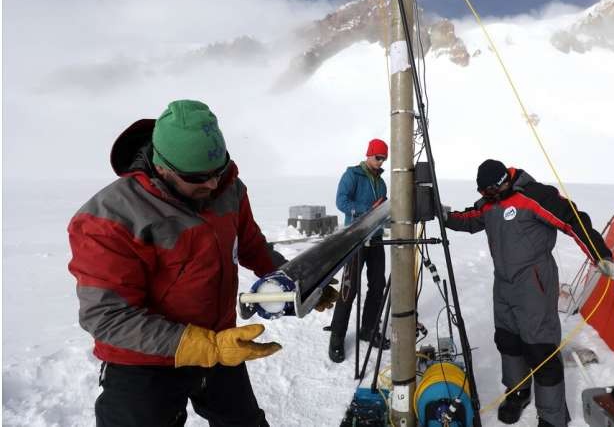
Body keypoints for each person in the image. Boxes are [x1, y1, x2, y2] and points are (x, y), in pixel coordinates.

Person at [68, 100, 336, 427]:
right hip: (144, 361)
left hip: (221, 344)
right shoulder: (109, 219)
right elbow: (107, 316)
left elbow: (251, 244)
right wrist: (204, 345)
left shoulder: (228, 188)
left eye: (218, 171)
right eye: (198, 178)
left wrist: (296, 282)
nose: (211, 185)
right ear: (162, 167)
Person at [444, 159, 614, 426]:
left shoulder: (534, 196)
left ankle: (552, 417)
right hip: (503, 283)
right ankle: (518, 392)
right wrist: (445, 217)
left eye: (489, 192)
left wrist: (598, 253)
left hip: (535, 282)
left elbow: (572, 219)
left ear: (502, 182)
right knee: (508, 340)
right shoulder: (490, 202)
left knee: (540, 348)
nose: (486, 198)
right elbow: (471, 218)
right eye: (483, 194)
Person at [327, 138, 390, 363]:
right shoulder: (352, 175)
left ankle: (368, 329)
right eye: (377, 157)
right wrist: (366, 210)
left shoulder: (381, 183)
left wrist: (385, 214)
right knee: (349, 288)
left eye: (384, 158)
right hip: (354, 239)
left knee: (377, 286)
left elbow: (381, 208)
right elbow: (341, 201)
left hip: (376, 239)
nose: (380, 161)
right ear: (369, 154)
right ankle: (336, 337)